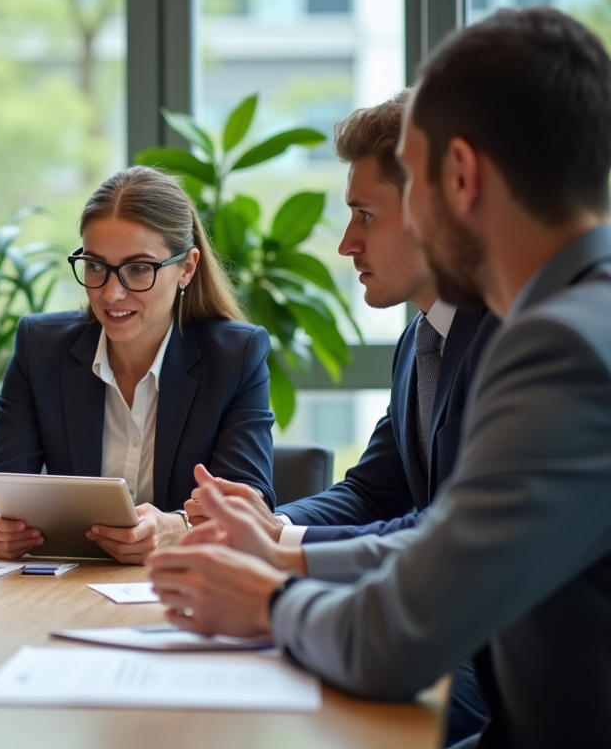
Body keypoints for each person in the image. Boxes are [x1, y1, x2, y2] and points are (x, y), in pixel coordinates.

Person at [148, 7, 611, 747]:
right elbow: (454, 544)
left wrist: (269, 598)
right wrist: (282, 548)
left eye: (415, 187)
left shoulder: (559, 345)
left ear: (460, 176)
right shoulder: (580, 315)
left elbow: (397, 636)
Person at [185, 90, 497, 745]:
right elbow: (374, 488)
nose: (347, 244)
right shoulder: (421, 340)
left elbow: (450, 523)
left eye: (364, 215)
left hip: (491, 661)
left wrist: (281, 551)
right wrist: (275, 521)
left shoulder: (509, 341)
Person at [0, 165, 275, 564]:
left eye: (138, 269)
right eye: (95, 266)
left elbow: (249, 500)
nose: (112, 293)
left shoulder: (236, 356)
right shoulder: (40, 348)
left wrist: (177, 528)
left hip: (188, 584)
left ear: (186, 267)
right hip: (69, 587)